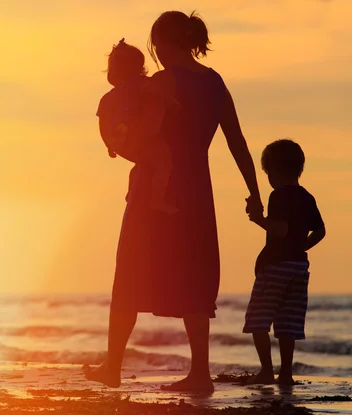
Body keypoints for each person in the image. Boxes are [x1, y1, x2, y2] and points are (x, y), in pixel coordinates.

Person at [83, 10, 263, 393]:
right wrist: (254, 192)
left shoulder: (161, 83)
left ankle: (113, 367)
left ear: (164, 43)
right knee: (194, 277)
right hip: (197, 190)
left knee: (130, 273)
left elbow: (139, 136)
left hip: (154, 191)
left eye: (155, 45)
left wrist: (117, 143)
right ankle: (201, 373)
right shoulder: (214, 82)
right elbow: (237, 142)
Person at [244, 139, 326, 386]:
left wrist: (258, 219)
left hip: (276, 266)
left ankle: (267, 371)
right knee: (288, 321)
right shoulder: (307, 197)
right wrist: (300, 247)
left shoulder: (278, 195)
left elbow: (280, 229)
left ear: (274, 170)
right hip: (299, 267)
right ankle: (286, 374)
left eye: (268, 172)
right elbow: (320, 231)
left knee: (258, 318)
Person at [97, 38, 180, 214]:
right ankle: (157, 199)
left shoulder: (108, 97)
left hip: (122, 142)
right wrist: (170, 101)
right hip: (142, 136)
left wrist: (109, 145)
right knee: (164, 162)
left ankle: (131, 192)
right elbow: (157, 93)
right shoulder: (142, 84)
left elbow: (102, 123)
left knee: (141, 163)